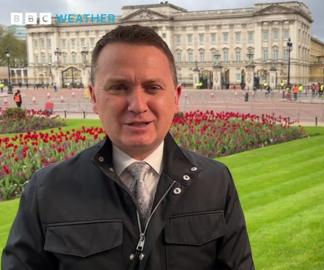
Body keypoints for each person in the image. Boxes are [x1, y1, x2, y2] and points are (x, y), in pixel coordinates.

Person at [2, 25, 255, 270]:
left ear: (176, 97)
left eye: (152, 87)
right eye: (119, 87)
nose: (137, 105)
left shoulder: (216, 182)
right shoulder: (47, 189)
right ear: (94, 97)